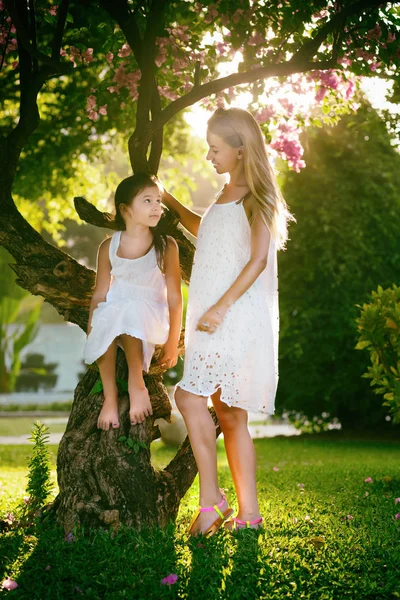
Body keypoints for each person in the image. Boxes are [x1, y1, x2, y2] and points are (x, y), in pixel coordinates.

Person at [162, 107, 294, 535]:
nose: (209, 157)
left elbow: (257, 259)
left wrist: (220, 307)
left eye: (215, 149)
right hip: (212, 315)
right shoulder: (224, 194)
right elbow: (209, 231)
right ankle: (249, 515)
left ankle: (211, 501)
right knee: (231, 414)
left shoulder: (258, 197)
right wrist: (170, 202)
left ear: (240, 149)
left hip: (233, 315)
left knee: (187, 398)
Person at [83, 173, 182, 431]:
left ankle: (137, 384)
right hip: (118, 312)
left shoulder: (166, 245)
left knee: (130, 309)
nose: (157, 206)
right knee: (108, 315)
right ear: (125, 209)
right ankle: (110, 397)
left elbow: (174, 296)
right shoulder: (108, 246)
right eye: (147, 200)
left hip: (149, 315)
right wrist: (92, 328)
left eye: (158, 201)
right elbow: (100, 293)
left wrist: (172, 341)